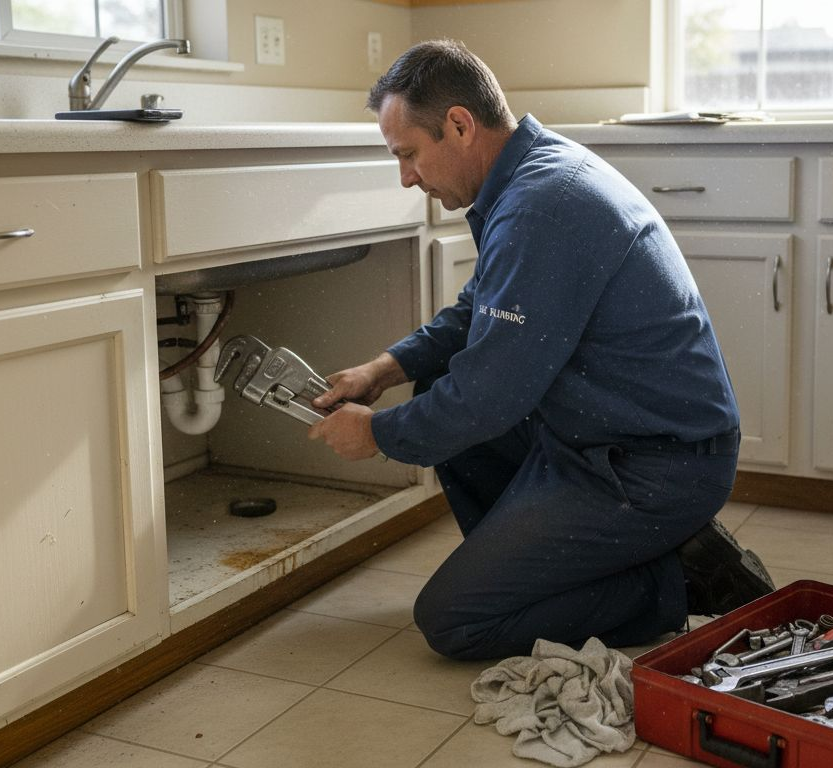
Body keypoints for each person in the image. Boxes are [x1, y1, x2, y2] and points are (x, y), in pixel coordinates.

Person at [308, 39, 773, 661]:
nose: (407, 177)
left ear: (459, 125)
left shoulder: (543, 205)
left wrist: (378, 435)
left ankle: (674, 579)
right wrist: (383, 369)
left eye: (410, 154)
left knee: (453, 621)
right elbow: (478, 310)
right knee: (433, 389)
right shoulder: (535, 175)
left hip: (655, 465)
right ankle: (550, 572)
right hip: (605, 433)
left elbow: (490, 395)